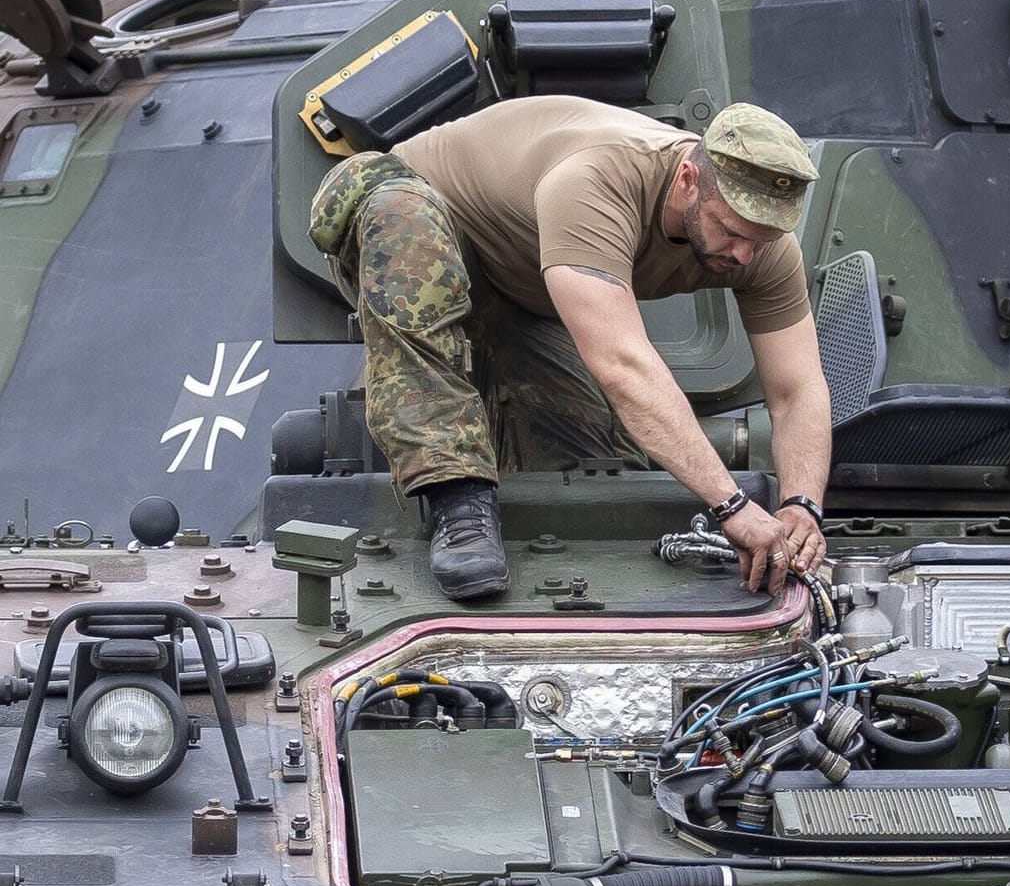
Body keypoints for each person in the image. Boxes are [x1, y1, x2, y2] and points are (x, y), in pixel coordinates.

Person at [308, 97, 834, 602]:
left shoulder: (760, 244)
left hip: (517, 288)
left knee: (597, 476)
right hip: (412, 216)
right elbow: (623, 366)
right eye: (731, 231)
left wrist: (801, 506)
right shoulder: (599, 181)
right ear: (689, 182)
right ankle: (457, 498)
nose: (745, 254)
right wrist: (733, 504)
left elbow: (798, 389)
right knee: (402, 219)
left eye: (761, 240)